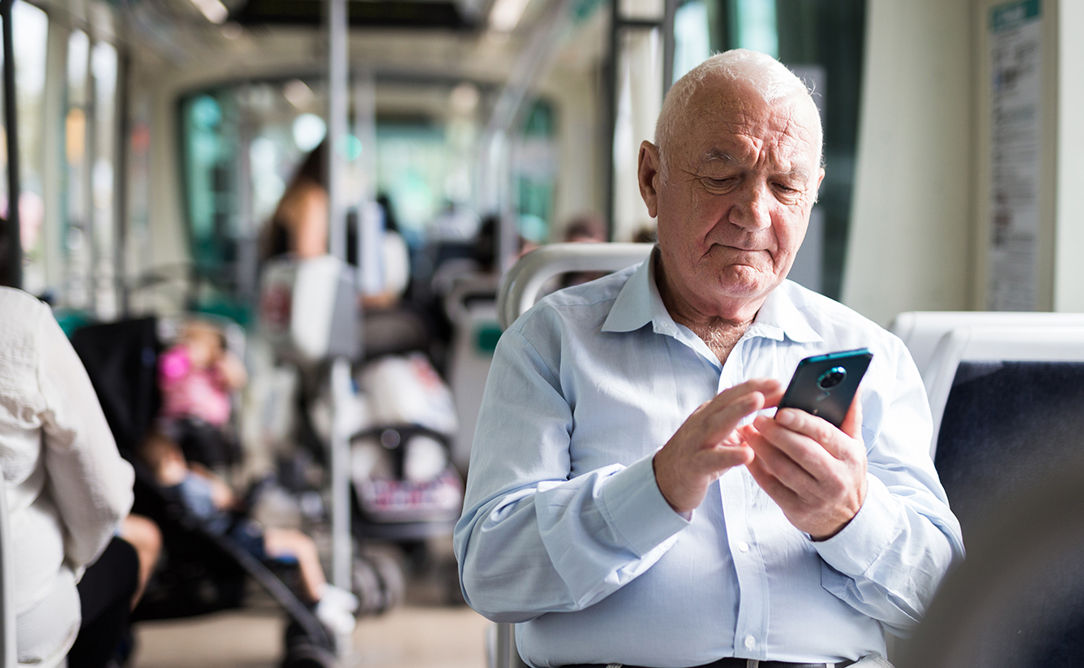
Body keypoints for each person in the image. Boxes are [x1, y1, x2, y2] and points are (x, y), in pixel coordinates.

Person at [454, 50, 964, 668]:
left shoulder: (871, 358)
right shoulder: (551, 346)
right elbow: (490, 573)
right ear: (651, 178)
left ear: (813, 195)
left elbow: (943, 595)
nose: (754, 213)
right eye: (722, 176)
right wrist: (656, 489)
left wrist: (850, 517)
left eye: (784, 185)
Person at [0, 286, 141, 667]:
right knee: (122, 560)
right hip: (14, 614)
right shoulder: (17, 319)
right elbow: (102, 496)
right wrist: (76, 559)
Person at [137, 429, 359, 635]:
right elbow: (227, 500)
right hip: (238, 540)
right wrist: (208, 479)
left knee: (295, 547)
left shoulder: (167, 499)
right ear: (174, 455)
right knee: (302, 545)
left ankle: (320, 594)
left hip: (225, 542)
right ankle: (319, 602)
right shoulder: (191, 485)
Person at [159, 318, 247, 469]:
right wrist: (187, 357)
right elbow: (166, 371)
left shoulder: (214, 372)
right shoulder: (180, 361)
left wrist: (221, 362)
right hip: (178, 420)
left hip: (209, 426)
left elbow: (237, 379)